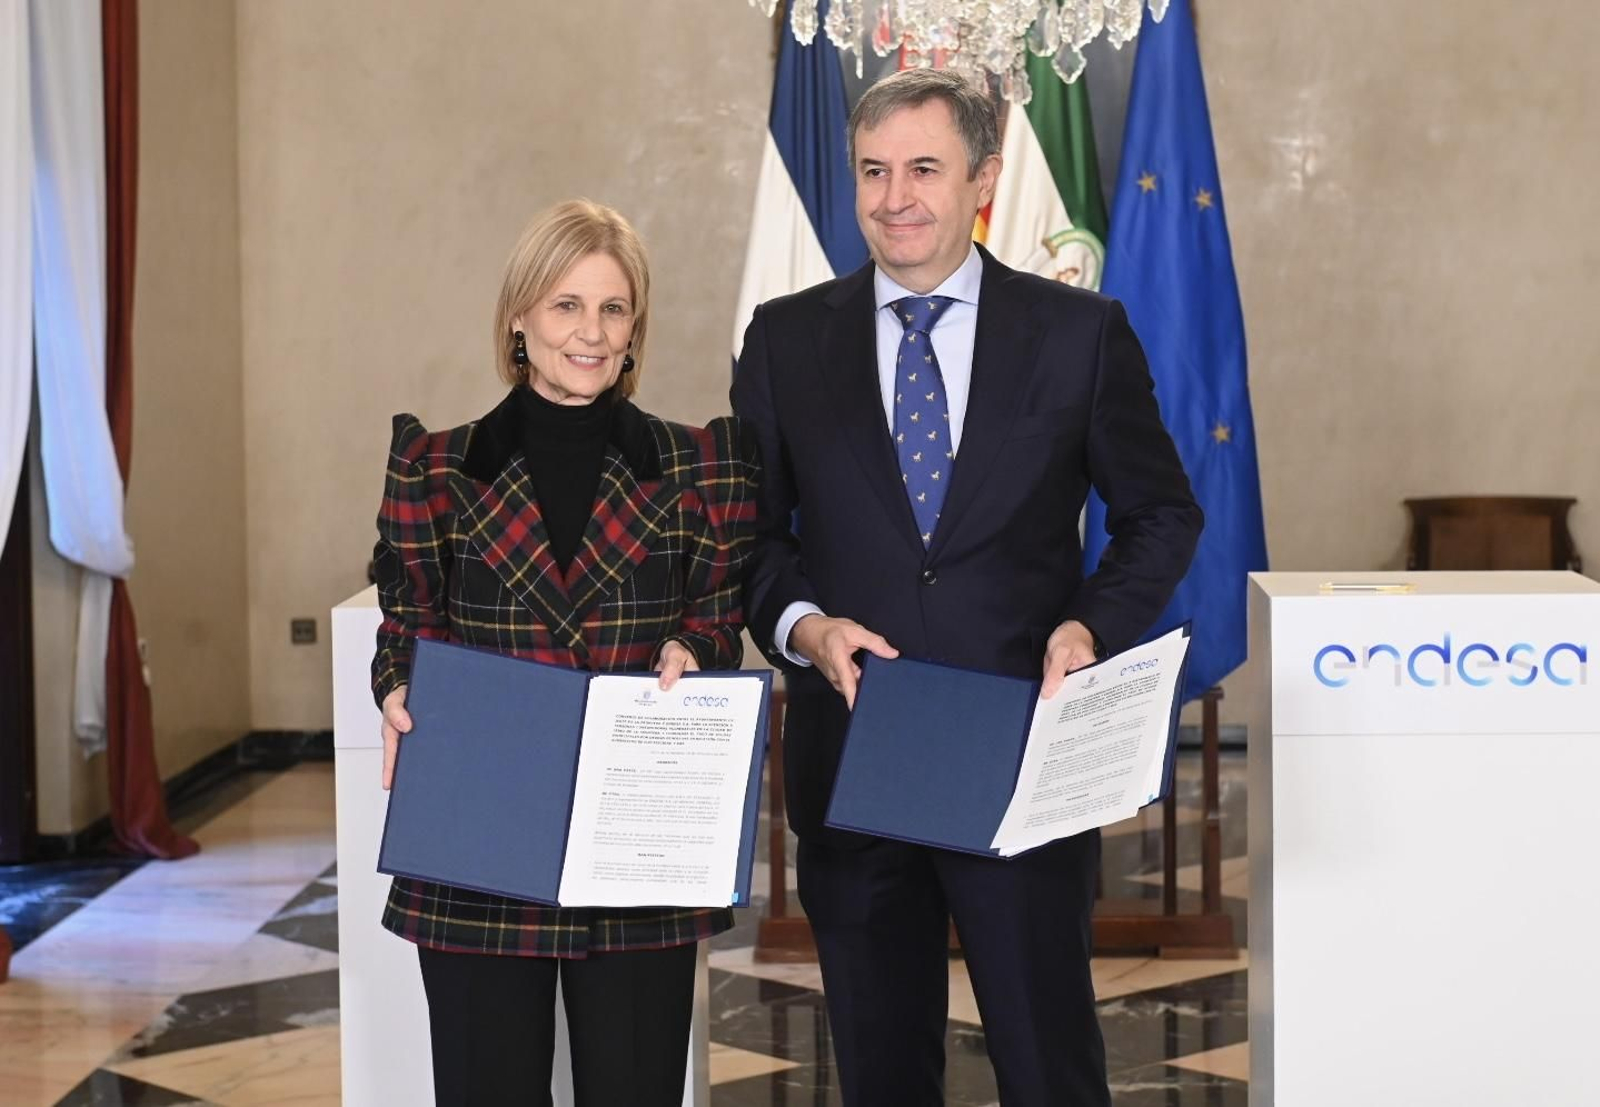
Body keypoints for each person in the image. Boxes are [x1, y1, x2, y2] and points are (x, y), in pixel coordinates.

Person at [731, 69, 1203, 1105]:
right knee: (880, 1069)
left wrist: (1088, 624)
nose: (894, 196)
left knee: (1047, 1064)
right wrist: (804, 628)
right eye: (872, 171)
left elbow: (1163, 514)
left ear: (983, 178)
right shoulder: (785, 340)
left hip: (1022, 752)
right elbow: (749, 540)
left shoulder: (1079, 334)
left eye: (924, 169)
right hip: (855, 758)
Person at [371, 199, 756, 1106]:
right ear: (519, 316)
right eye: (565, 305)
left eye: (613, 308)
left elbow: (716, 614)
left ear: (636, 327)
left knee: (637, 1090)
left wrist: (693, 650)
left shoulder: (700, 465)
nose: (590, 331)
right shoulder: (434, 467)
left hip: (636, 841)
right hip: (480, 827)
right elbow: (408, 620)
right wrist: (395, 687)